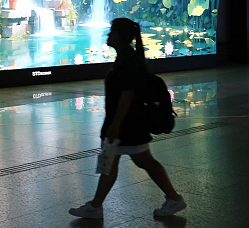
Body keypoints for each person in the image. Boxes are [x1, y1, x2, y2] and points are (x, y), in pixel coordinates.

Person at [69, 18, 186, 219]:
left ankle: (174, 198)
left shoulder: (127, 61)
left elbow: (127, 94)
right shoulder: (127, 57)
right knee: (112, 162)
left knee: (145, 161)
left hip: (128, 125)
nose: (108, 35)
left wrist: (115, 125)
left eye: (111, 32)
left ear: (120, 37)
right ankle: (95, 206)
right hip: (125, 124)